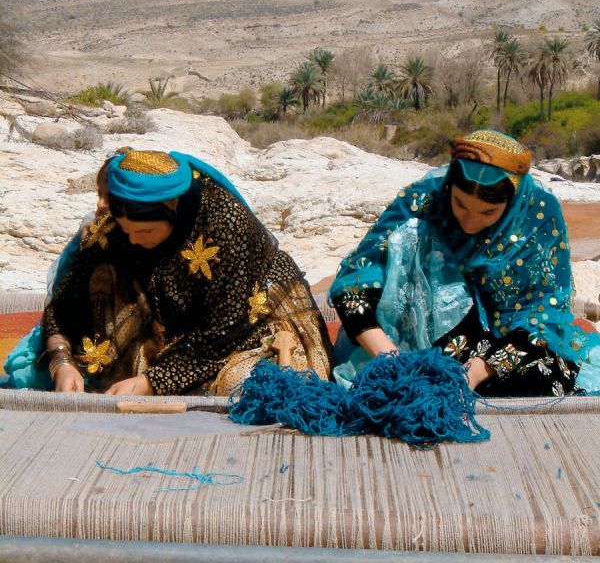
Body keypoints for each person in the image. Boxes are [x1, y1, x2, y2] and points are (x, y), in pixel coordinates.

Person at [329, 130, 599, 397]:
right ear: (449, 187)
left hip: (513, 339)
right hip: (421, 337)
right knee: (411, 236)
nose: (469, 221)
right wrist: (388, 357)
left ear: (512, 201)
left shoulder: (539, 215)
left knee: (541, 375)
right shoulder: (424, 201)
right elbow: (356, 280)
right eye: (460, 204)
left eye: (487, 212)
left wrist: (476, 372)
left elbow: (544, 315)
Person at [43, 148, 332, 395]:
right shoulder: (115, 232)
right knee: (103, 271)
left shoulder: (225, 223)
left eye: (144, 231)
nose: (132, 240)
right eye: (126, 230)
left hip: (249, 320)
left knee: (249, 387)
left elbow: (223, 331)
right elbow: (64, 305)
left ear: (172, 211)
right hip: (169, 322)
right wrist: (61, 363)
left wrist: (151, 382)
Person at [3, 158, 112, 390]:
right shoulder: (90, 237)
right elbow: (61, 310)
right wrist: (61, 361)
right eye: (99, 195)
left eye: (111, 198)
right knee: (29, 374)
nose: (101, 205)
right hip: (80, 339)